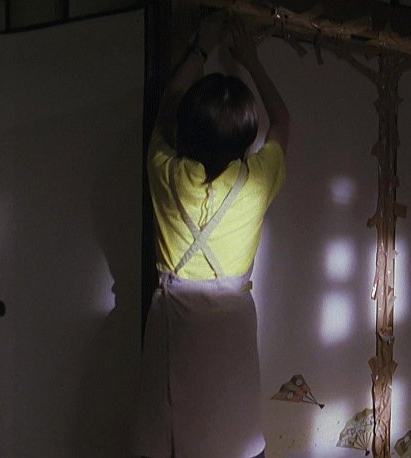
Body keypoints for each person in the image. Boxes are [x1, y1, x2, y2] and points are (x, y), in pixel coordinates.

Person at [134, 14, 289, 458]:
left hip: (174, 329)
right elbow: (283, 120)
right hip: (230, 333)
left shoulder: (165, 171)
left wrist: (201, 49)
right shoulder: (255, 182)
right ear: (246, 136)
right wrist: (251, 60)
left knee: (168, 433)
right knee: (231, 434)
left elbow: (169, 104)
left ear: (187, 129)